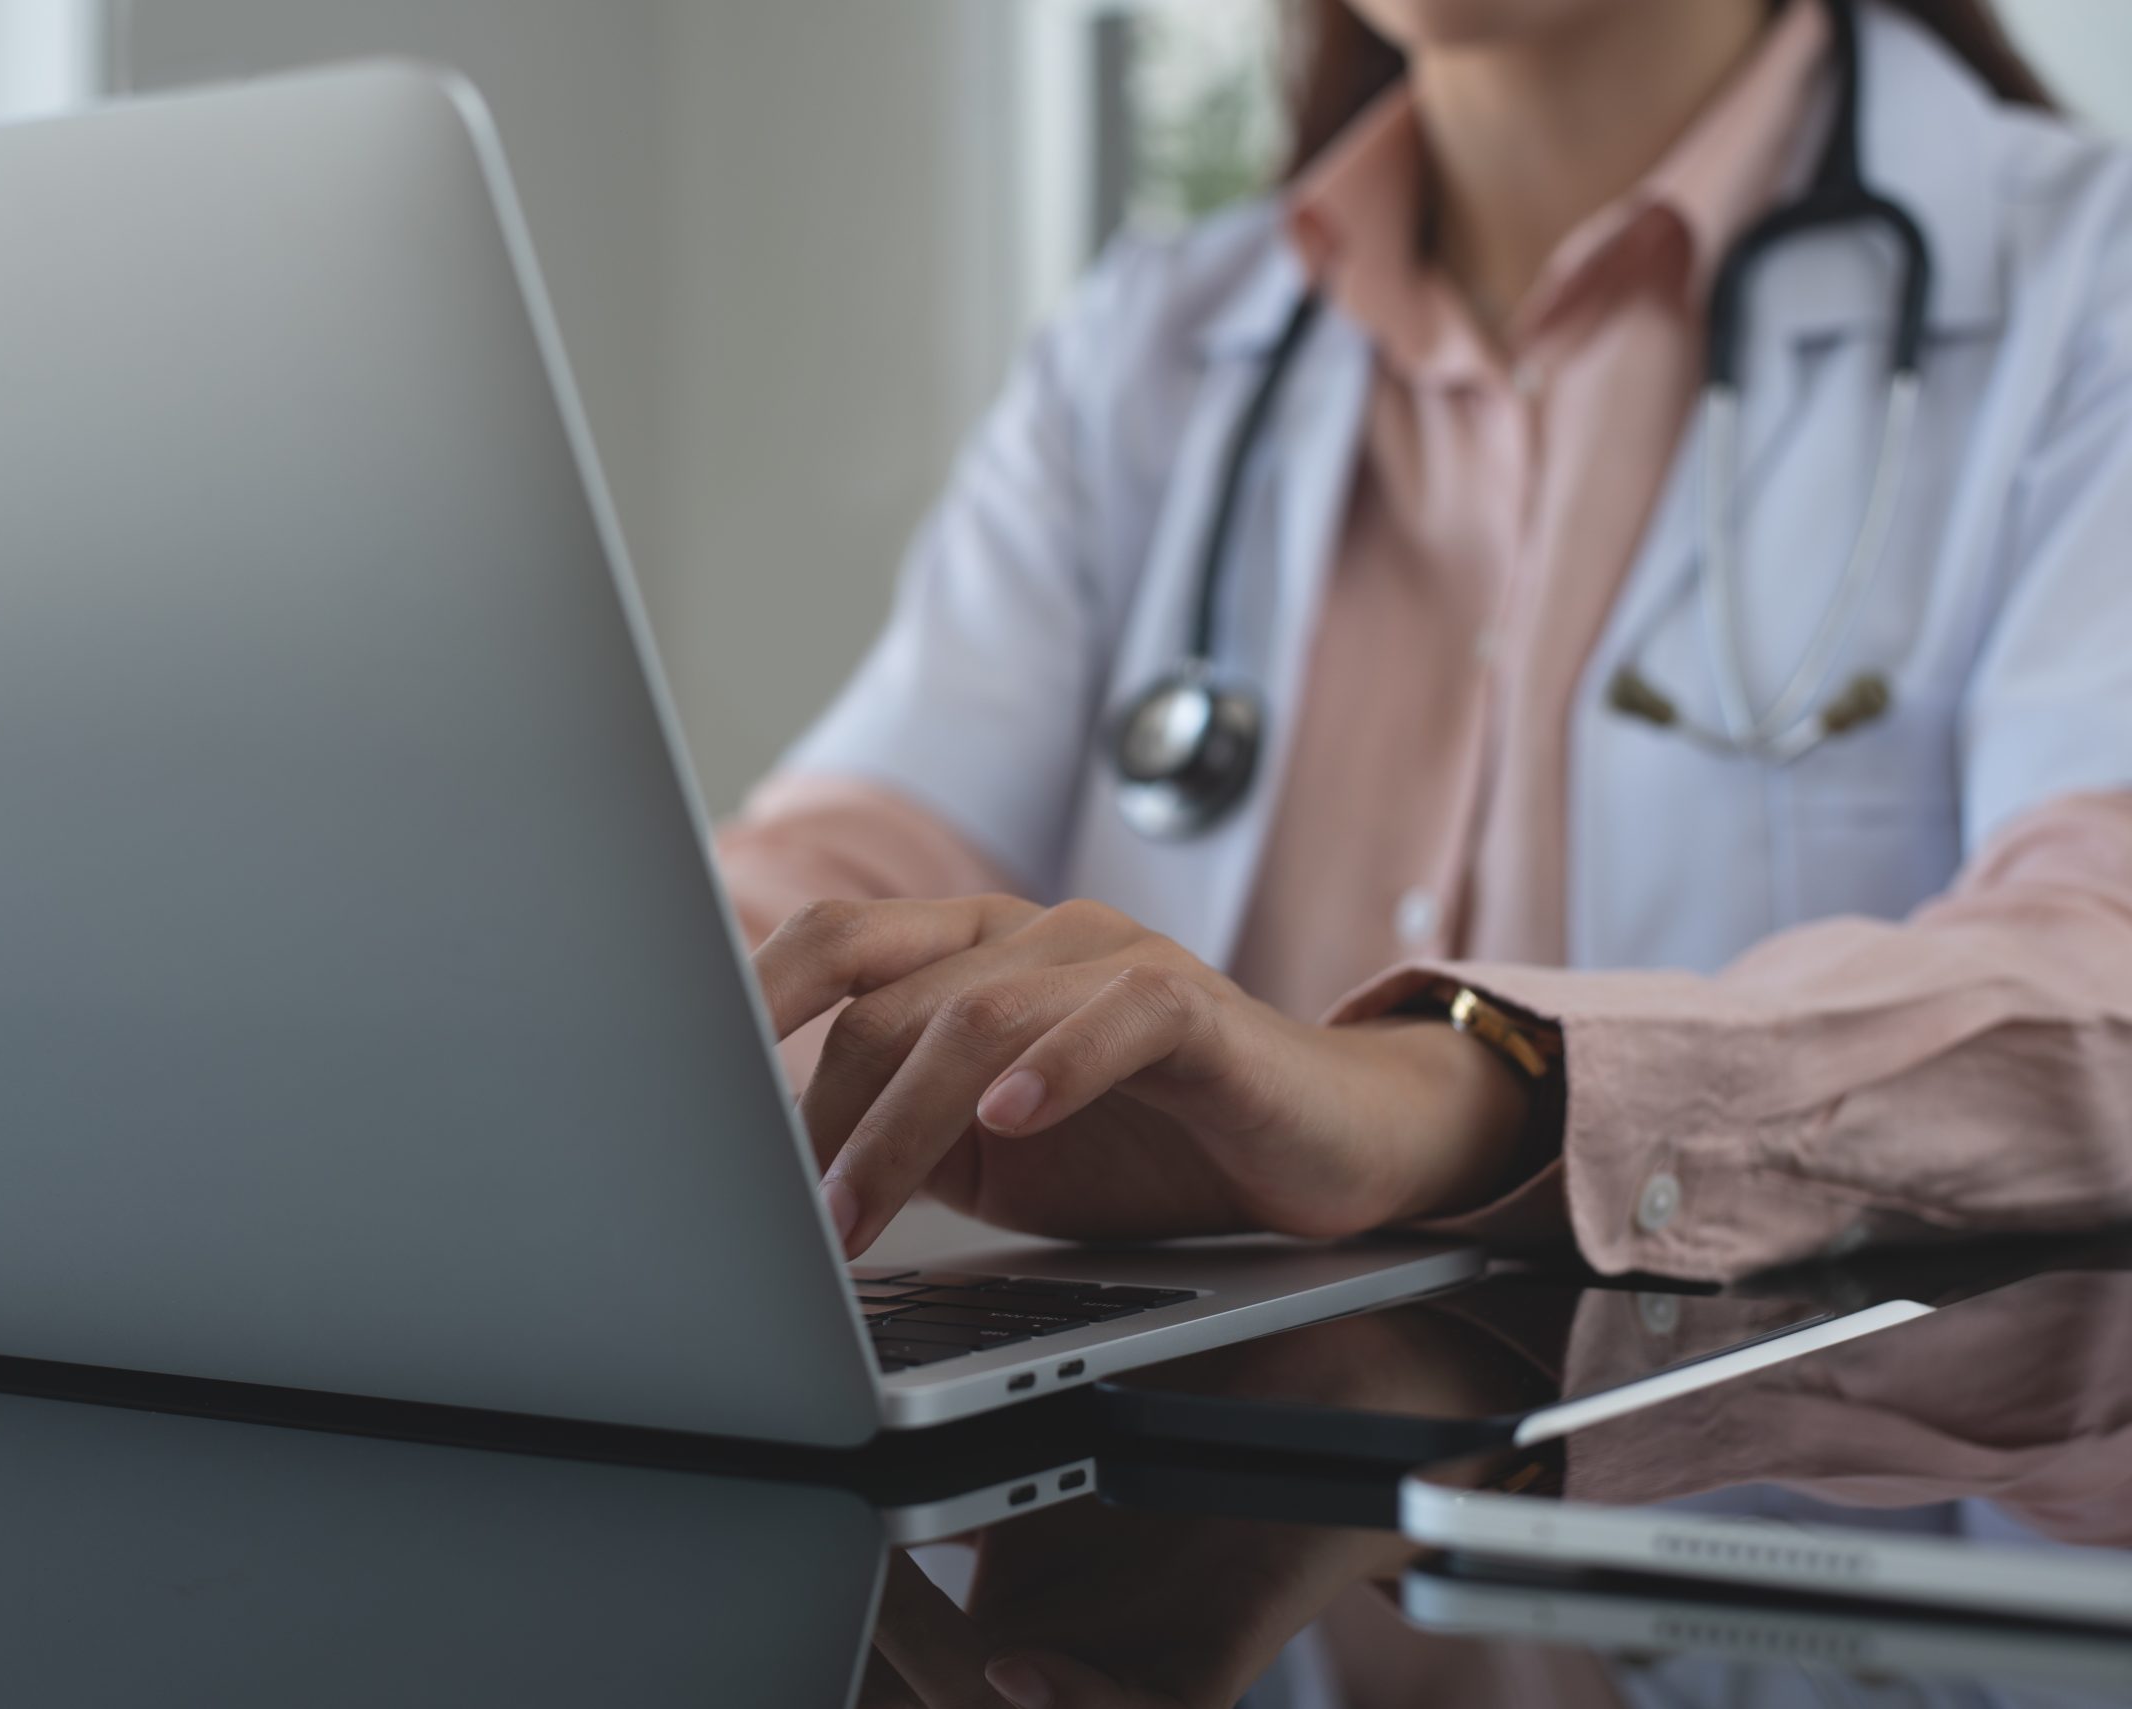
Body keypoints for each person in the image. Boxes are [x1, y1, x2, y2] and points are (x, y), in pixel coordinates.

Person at [715, 0, 2132, 1281]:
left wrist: (1445, 1089)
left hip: (1772, 1505)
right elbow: (853, 866)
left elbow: (2099, 964)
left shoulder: (2085, 291)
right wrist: (596, 1003)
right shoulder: (1151, 345)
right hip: (1194, 1527)